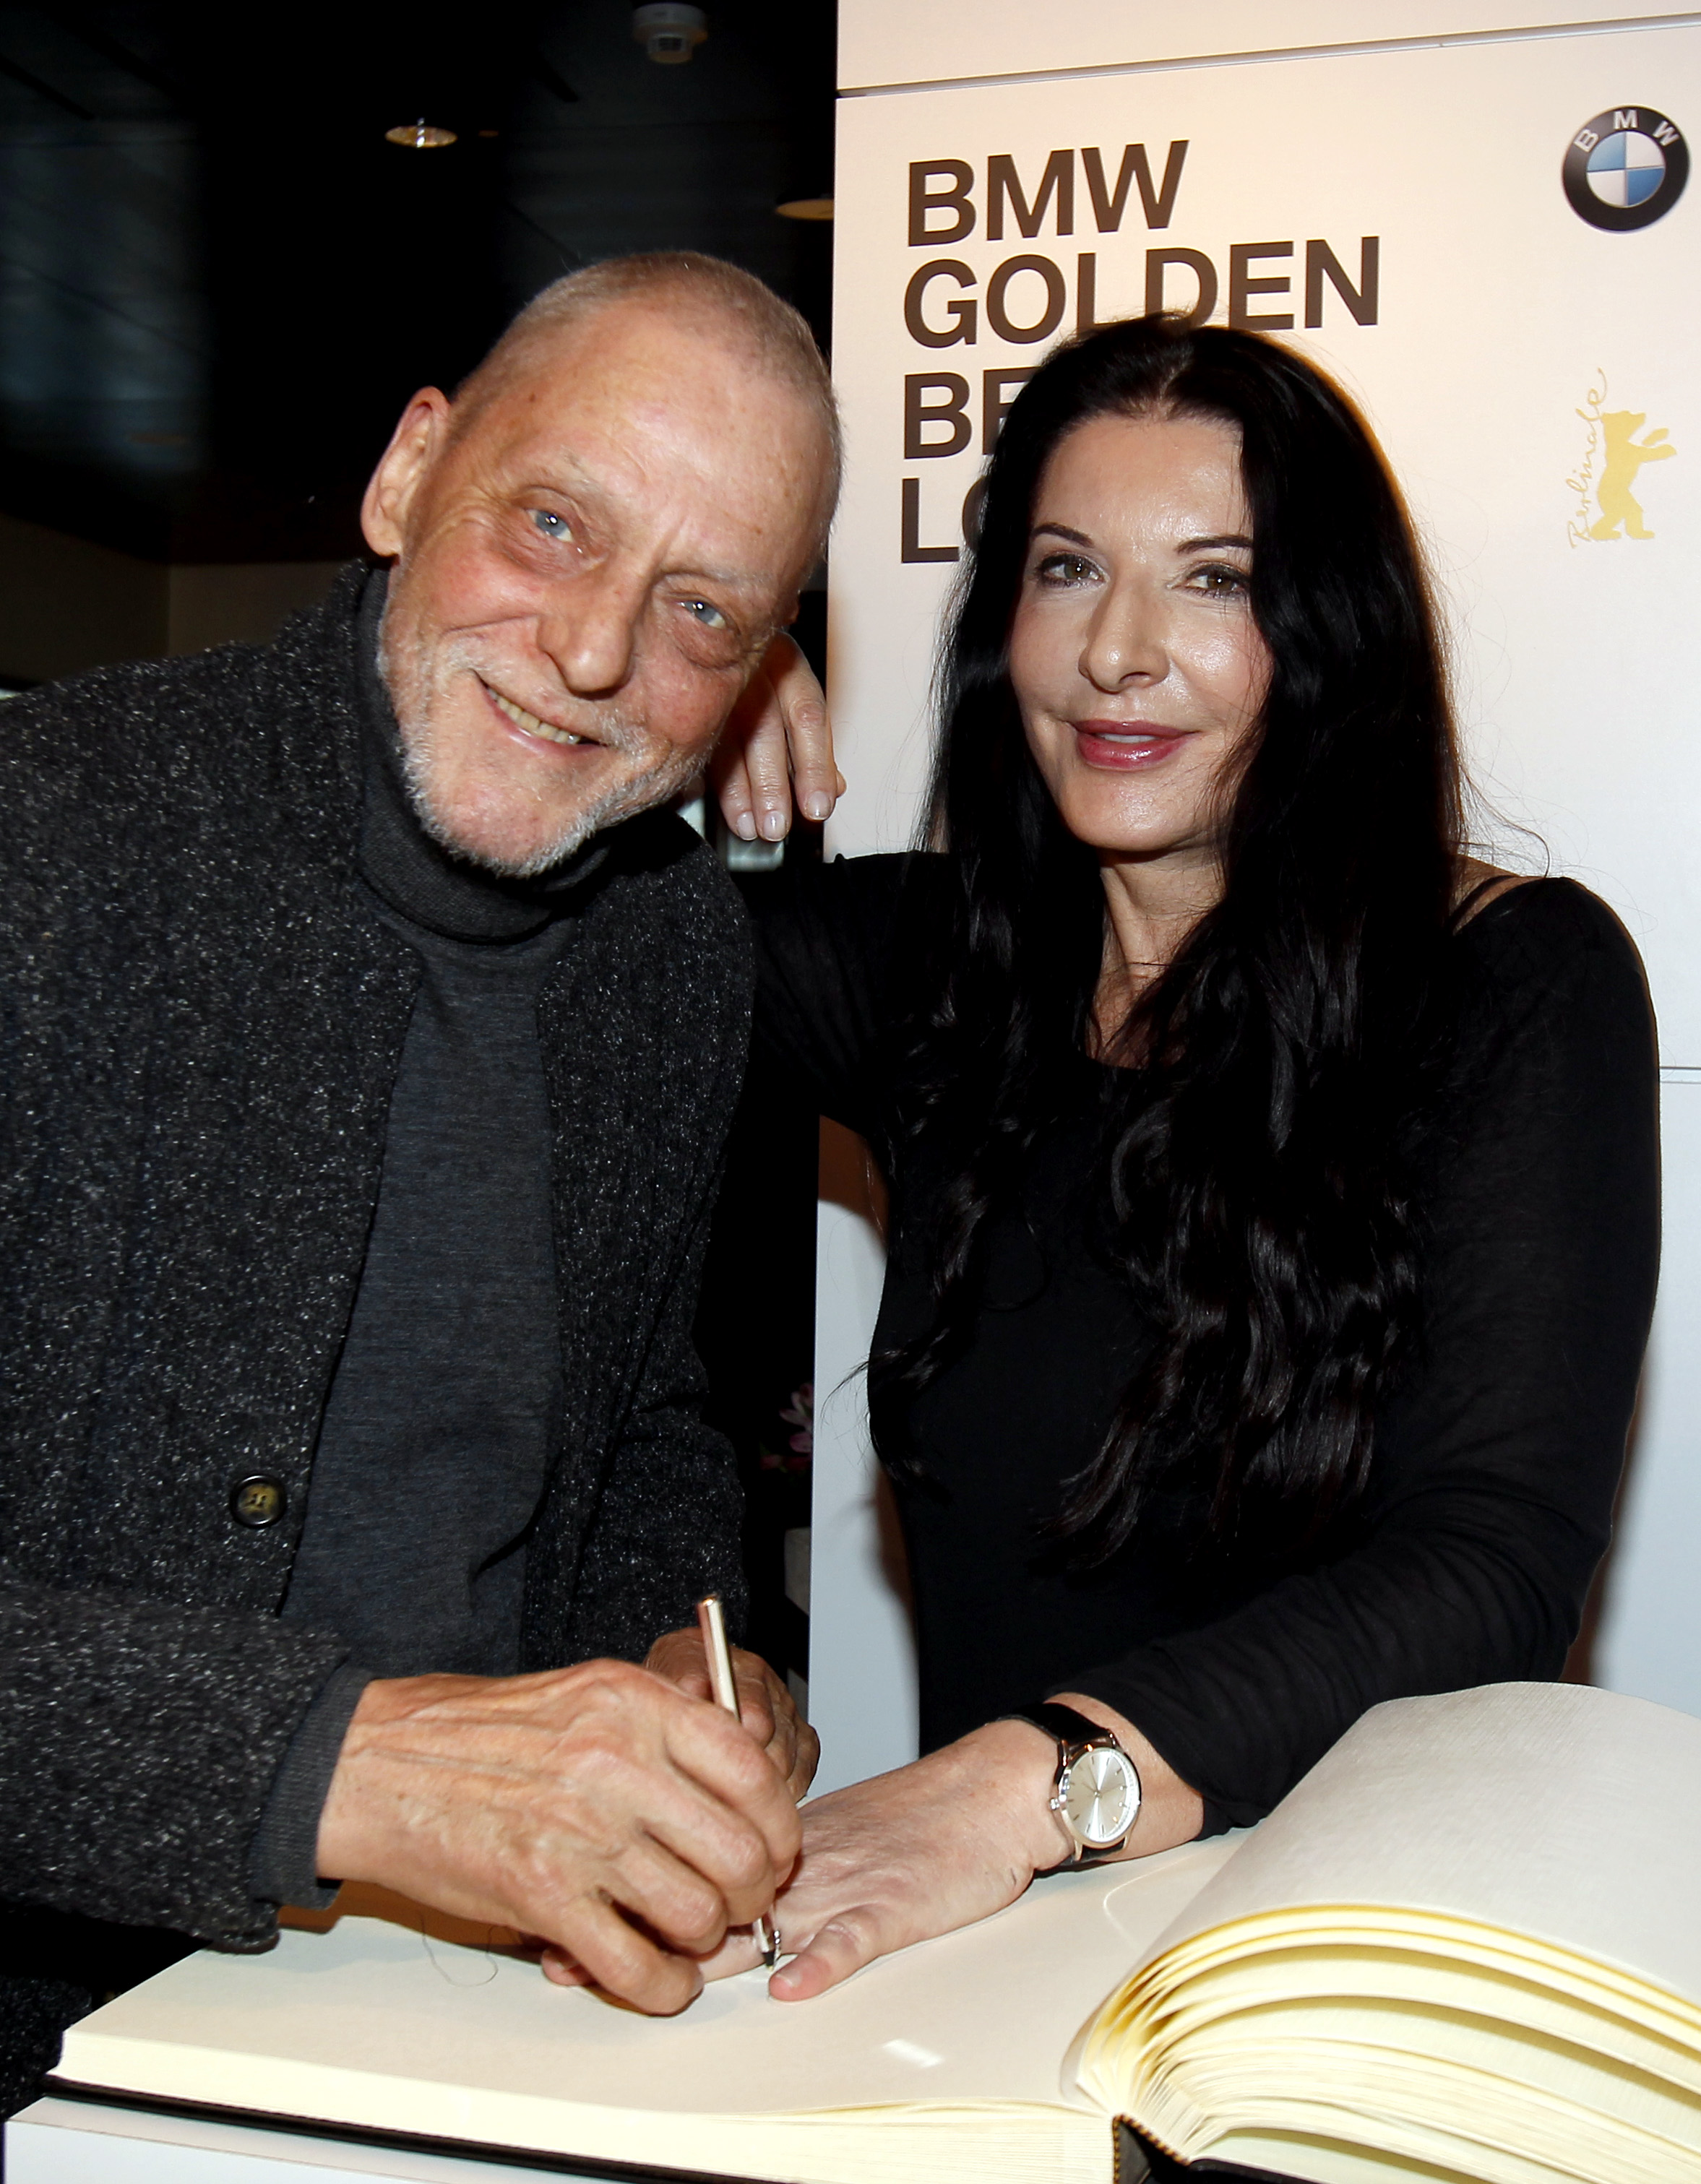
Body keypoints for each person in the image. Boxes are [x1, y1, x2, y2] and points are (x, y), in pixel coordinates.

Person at [698, 315, 1660, 2002]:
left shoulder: (1511, 982)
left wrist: (1028, 1788)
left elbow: (1491, 1564)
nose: (1117, 653)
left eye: (1214, 580)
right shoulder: (934, 969)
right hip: (970, 1974)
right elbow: (536, 956)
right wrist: (704, 669)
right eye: (1066, 569)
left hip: (1328, 1984)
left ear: (1327, 632)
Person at [0, 251, 845, 2110]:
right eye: (553, 524)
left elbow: (639, 1427)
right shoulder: (46, 840)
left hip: (456, 2052)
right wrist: (342, 1767)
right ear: (406, 476)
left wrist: (680, 1654)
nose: (596, 652)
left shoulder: (672, 953)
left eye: (702, 611)